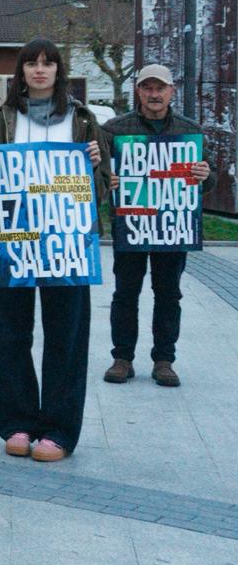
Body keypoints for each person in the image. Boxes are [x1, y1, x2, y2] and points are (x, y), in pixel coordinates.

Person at [0, 38, 108, 462]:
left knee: (66, 335)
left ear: (58, 71)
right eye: (32, 63)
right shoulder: (1, 119)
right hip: (15, 240)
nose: (40, 70)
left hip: (68, 241)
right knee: (11, 331)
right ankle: (17, 422)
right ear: (21, 72)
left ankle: (59, 430)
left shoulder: (83, 120)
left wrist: (98, 166)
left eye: (48, 63)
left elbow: (99, 191)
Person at [101, 64, 211, 389]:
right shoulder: (114, 130)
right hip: (131, 225)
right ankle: (122, 358)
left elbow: (208, 180)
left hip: (172, 227)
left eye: (160, 88)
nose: (154, 94)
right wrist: (108, 180)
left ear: (171, 91)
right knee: (125, 294)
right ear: (138, 91)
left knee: (168, 295)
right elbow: (94, 175)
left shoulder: (189, 131)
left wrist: (205, 176)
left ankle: (164, 360)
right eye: (147, 87)